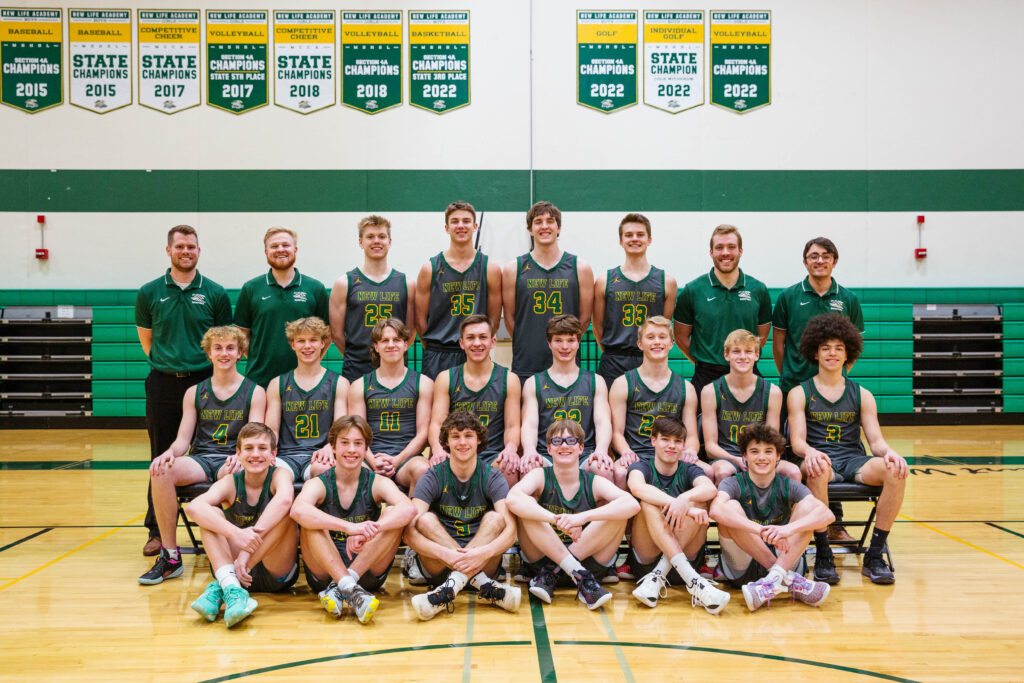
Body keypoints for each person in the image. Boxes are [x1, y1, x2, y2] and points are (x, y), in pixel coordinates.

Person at [138, 326, 266, 585]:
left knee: (235, 473)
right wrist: (168, 454)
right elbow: (182, 440)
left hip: (232, 459)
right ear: (208, 353)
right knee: (161, 471)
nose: (224, 353)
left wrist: (240, 455)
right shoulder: (194, 392)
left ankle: (232, 551)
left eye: (230, 348)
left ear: (240, 352)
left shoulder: (255, 391)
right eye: (218, 348)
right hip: (202, 458)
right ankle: (170, 556)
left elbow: (254, 436)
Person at [788, 313, 908, 585]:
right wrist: (810, 453)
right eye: (826, 348)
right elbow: (797, 442)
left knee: (896, 471)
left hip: (853, 460)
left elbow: (876, 441)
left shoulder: (862, 394)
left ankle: (875, 554)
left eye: (838, 348)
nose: (832, 353)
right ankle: (824, 553)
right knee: (817, 469)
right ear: (815, 353)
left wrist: (890, 453)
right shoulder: (799, 393)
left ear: (847, 355)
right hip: (819, 460)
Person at [136, 224, 232, 556]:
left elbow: (223, 341)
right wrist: (171, 365)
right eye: (180, 247)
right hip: (163, 381)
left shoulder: (216, 293)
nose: (186, 251)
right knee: (161, 456)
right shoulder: (149, 292)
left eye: (191, 246)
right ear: (169, 251)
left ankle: (218, 519)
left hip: (205, 380)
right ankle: (157, 531)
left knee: (211, 449)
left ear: (198, 251)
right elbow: (147, 341)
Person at [773, 237, 865, 543]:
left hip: (833, 393)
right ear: (805, 262)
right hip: (795, 389)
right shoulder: (789, 296)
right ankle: (792, 519)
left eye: (826, 256)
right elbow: (778, 344)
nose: (820, 260)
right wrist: (792, 378)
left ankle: (833, 523)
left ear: (834, 261)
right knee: (794, 454)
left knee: (832, 453)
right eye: (813, 256)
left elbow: (853, 347)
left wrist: (835, 378)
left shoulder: (848, 299)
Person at [290, 415, 417, 624]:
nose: (351, 450)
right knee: (310, 520)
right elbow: (297, 511)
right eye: (345, 443)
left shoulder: (377, 482)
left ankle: (343, 586)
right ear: (333, 447)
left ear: (366, 448)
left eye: (358, 443)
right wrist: (351, 528)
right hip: (325, 570)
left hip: (366, 568)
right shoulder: (319, 482)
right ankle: (349, 588)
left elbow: (409, 509)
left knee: (393, 515)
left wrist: (371, 530)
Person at [506, 420, 639, 610]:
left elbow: (632, 504)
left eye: (571, 441)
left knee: (617, 511)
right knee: (525, 507)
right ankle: (576, 574)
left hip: (584, 563)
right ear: (549, 449)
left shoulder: (593, 481)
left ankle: (555, 571)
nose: (564, 446)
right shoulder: (540, 475)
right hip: (544, 560)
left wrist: (582, 518)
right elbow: (512, 499)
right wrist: (556, 520)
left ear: (581, 448)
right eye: (557, 441)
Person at [404, 412, 520, 620]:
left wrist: (483, 553)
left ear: (479, 440)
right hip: (440, 564)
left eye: (468, 435)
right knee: (425, 520)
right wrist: (446, 554)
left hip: (483, 560)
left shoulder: (492, 476)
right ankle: (483, 584)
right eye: (455, 436)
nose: (462, 442)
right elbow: (409, 532)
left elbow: (511, 531)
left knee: (496, 519)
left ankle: (447, 591)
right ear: (446, 442)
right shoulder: (433, 476)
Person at [710, 423, 835, 612]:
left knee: (809, 509)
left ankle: (772, 580)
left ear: (778, 457)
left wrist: (788, 529)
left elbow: (827, 514)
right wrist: (760, 531)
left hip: (784, 556)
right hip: (743, 566)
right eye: (754, 451)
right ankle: (788, 579)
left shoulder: (789, 485)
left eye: (768, 451)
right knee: (729, 508)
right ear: (744, 456)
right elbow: (715, 511)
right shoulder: (733, 483)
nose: (762, 457)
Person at [185, 423, 298, 627]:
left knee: (287, 512)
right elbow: (194, 508)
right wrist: (237, 534)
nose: (255, 454)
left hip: (274, 570)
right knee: (210, 514)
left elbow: (284, 500)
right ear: (238, 454)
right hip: (233, 564)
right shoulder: (230, 482)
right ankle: (231, 587)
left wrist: (246, 553)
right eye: (249, 448)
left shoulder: (280, 474)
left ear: (273, 454)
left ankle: (224, 584)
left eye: (262, 448)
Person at [625, 417, 730, 613]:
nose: (672, 445)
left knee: (699, 501)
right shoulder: (642, 467)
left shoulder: (689, 470)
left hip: (684, 560)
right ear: (653, 441)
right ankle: (695, 582)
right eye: (665, 439)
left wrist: (685, 499)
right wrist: (681, 506)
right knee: (648, 502)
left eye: (677, 441)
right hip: (648, 560)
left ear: (683, 445)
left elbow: (710, 489)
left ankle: (660, 576)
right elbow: (637, 487)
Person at [673, 224, 772, 397]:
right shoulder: (693, 290)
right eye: (719, 247)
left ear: (740, 251)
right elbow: (681, 336)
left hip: (748, 374)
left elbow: (761, 337)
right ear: (711, 252)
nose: (725, 252)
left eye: (731, 247)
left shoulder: (758, 289)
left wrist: (741, 359)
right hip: (706, 375)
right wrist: (705, 361)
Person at [503, 201, 594, 383]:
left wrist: (564, 345)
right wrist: (528, 341)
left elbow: (584, 319)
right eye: (538, 222)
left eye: (550, 221)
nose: (544, 226)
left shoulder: (580, 268)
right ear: (530, 229)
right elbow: (510, 318)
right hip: (527, 362)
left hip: (566, 363)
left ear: (558, 228)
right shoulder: (513, 269)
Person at [610, 316, 704, 488]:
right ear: (640, 344)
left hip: (672, 454)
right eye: (650, 337)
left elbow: (691, 436)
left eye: (662, 337)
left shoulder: (686, 388)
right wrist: (626, 451)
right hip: (637, 455)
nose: (657, 342)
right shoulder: (623, 384)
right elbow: (616, 433)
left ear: (671, 343)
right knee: (619, 472)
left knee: (709, 471)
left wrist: (690, 450)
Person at [427, 314, 521, 485]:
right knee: (432, 467)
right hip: (456, 453)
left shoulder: (509, 379)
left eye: (483, 337)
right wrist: (437, 449)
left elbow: (512, 426)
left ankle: (504, 505)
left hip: (492, 455)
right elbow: (437, 423)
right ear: (462, 343)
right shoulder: (446, 378)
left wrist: (510, 448)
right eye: (470, 338)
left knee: (509, 467)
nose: (477, 343)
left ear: (493, 342)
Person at [414, 200, 502, 379]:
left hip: (475, 351)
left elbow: (494, 319)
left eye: (466, 221)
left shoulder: (490, 268)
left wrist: (479, 343)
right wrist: (433, 347)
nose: (461, 225)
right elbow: (419, 319)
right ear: (447, 228)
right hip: (438, 353)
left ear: (475, 226)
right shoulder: (430, 268)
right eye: (455, 221)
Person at [520, 314, 614, 480]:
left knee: (603, 468)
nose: (565, 346)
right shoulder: (533, 383)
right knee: (528, 468)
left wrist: (601, 450)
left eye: (570, 340)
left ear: (578, 342)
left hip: (584, 454)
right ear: (549, 343)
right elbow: (530, 424)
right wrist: (529, 451)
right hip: (547, 454)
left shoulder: (596, 381)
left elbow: (602, 422)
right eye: (558, 340)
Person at [234, 227, 330, 387]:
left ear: (295, 250)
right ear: (266, 252)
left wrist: (310, 361)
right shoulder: (251, 288)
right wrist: (259, 358)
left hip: (305, 380)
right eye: (274, 246)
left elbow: (327, 334)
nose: (280, 250)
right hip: (260, 380)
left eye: (285, 245)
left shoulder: (315, 288)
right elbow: (240, 335)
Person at [701, 329, 799, 485]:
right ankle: (723, 501)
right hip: (727, 457)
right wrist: (737, 459)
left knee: (793, 472)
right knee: (723, 471)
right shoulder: (710, 391)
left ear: (756, 355)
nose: (742, 356)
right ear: (726, 355)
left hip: (761, 455)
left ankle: (786, 503)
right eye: (736, 351)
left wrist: (756, 459)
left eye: (748, 351)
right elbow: (710, 447)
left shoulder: (772, 392)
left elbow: (771, 440)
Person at [348, 318, 432, 495]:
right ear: (376, 347)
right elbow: (356, 432)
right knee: (350, 471)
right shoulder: (359, 385)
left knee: (423, 470)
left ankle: (411, 513)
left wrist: (397, 460)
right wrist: (372, 461)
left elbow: (423, 434)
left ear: (405, 345)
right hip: (370, 457)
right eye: (385, 340)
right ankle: (367, 514)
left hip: (406, 458)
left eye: (396, 340)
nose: (391, 345)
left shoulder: (423, 383)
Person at [593, 213, 677, 387]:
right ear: (621, 241)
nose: (634, 239)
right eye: (629, 235)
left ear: (649, 240)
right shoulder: (604, 281)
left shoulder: (667, 282)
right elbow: (598, 327)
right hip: (614, 361)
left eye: (640, 234)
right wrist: (614, 352)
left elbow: (664, 326)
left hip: (649, 359)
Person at [329, 215, 414, 382]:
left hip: (395, 368)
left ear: (389, 242)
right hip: (356, 368)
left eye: (382, 236)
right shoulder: (344, 283)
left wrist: (391, 356)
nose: (376, 241)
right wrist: (356, 357)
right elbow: (336, 334)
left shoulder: (407, 283)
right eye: (370, 237)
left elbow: (410, 332)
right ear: (360, 242)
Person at [265, 317, 348, 483]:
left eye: (313, 340)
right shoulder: (277, 383)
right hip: (285, 456)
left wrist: (330, 446)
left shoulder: (339, 383)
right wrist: (267, 451)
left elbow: (341, 428)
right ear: (293, 344)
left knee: (324, 470)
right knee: (269, 471)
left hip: (320, 455)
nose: (307, 346)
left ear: (323, 343)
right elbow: (271, 429)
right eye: (301, 341)